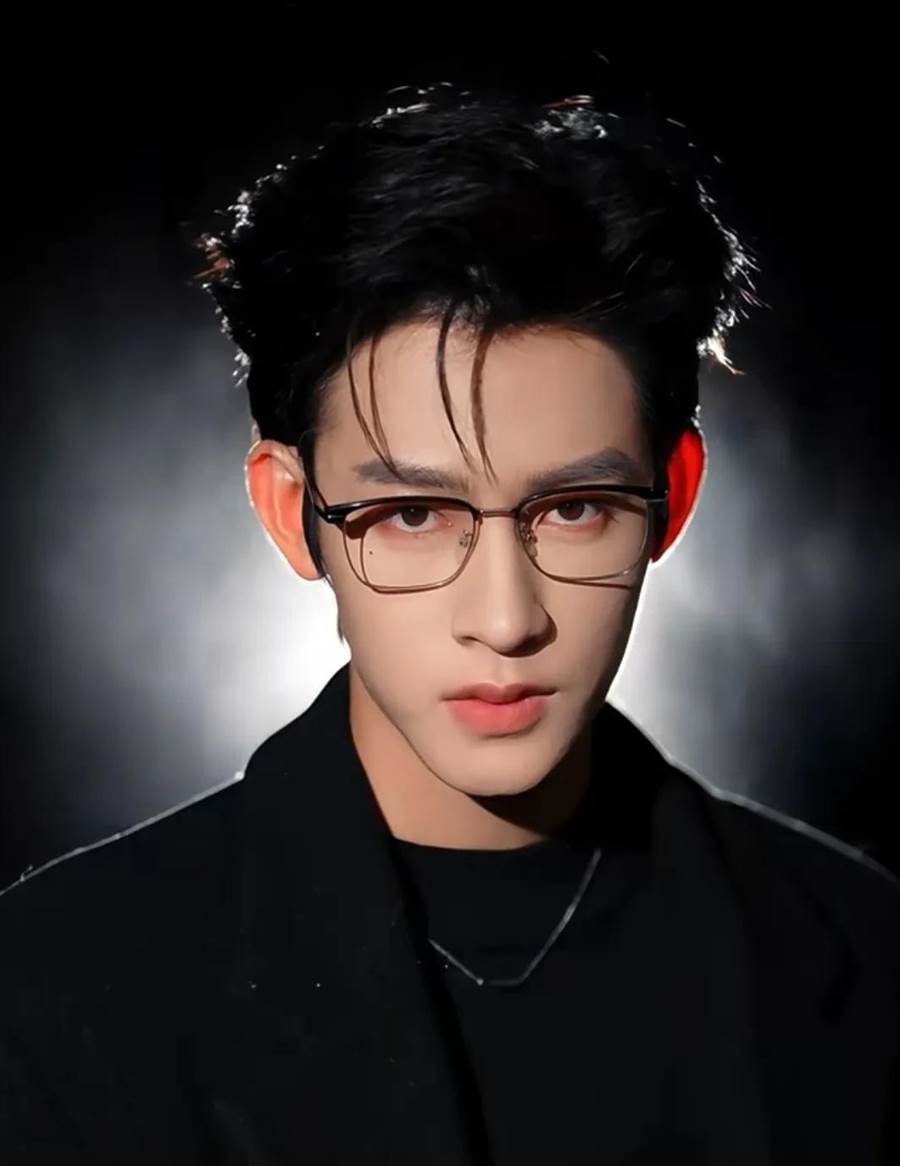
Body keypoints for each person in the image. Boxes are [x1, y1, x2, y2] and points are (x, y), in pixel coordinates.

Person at [1, 80, 897, 1166]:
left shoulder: (859, 950)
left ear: (673, 498)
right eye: (413, 515)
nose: (506, 619)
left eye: (576, 508)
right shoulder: (58, 987)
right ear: (292, 514)